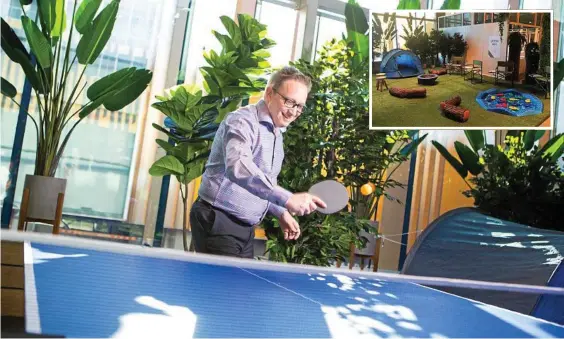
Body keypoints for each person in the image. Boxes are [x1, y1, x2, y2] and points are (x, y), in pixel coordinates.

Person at [189, 66, 326, 258]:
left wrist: (280, 211)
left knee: (239, 287)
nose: (293, 112)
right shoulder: (242, 121)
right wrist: (287, 199)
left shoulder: (276, 133)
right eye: (289, 102)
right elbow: (238, 166)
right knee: (227, 288)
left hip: (244, 228)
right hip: (218, 220)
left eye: (299, 106)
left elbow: (259, 182)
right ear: (270, 93)